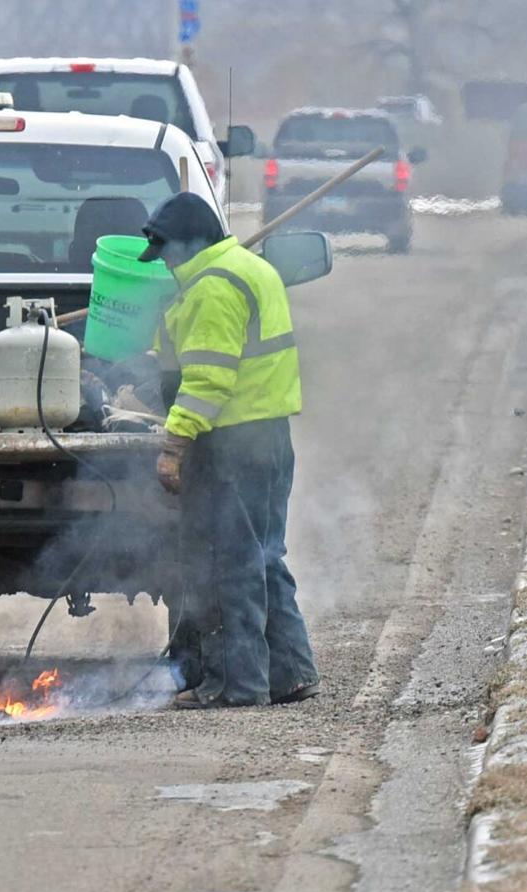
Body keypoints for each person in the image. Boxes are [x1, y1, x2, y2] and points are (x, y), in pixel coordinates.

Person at [139, 191, 321, 709]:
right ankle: (290, 673)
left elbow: (207, 381)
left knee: (224, 562)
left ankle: (234, 685)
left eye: (166, 251)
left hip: (230, 445)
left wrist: (174, 443)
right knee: (264, 556)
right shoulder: (251, 268)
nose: (165, 262)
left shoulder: (211, 288)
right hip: (268, 438)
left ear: (191, 243)